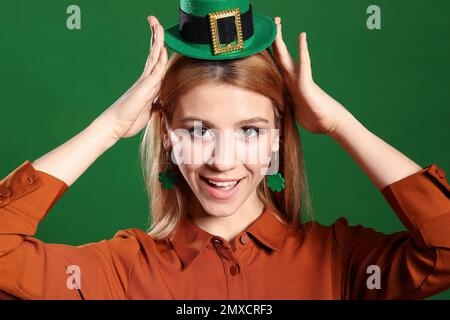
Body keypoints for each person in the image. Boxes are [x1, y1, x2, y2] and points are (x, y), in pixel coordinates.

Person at [0, 0, 449, 300]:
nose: (223, 159)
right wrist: (110, 126)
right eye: (197, 130)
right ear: (168, 137)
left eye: (250, 131)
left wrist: (338, 123)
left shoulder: (341, 262)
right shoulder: (117, 274)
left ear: (277, 136)